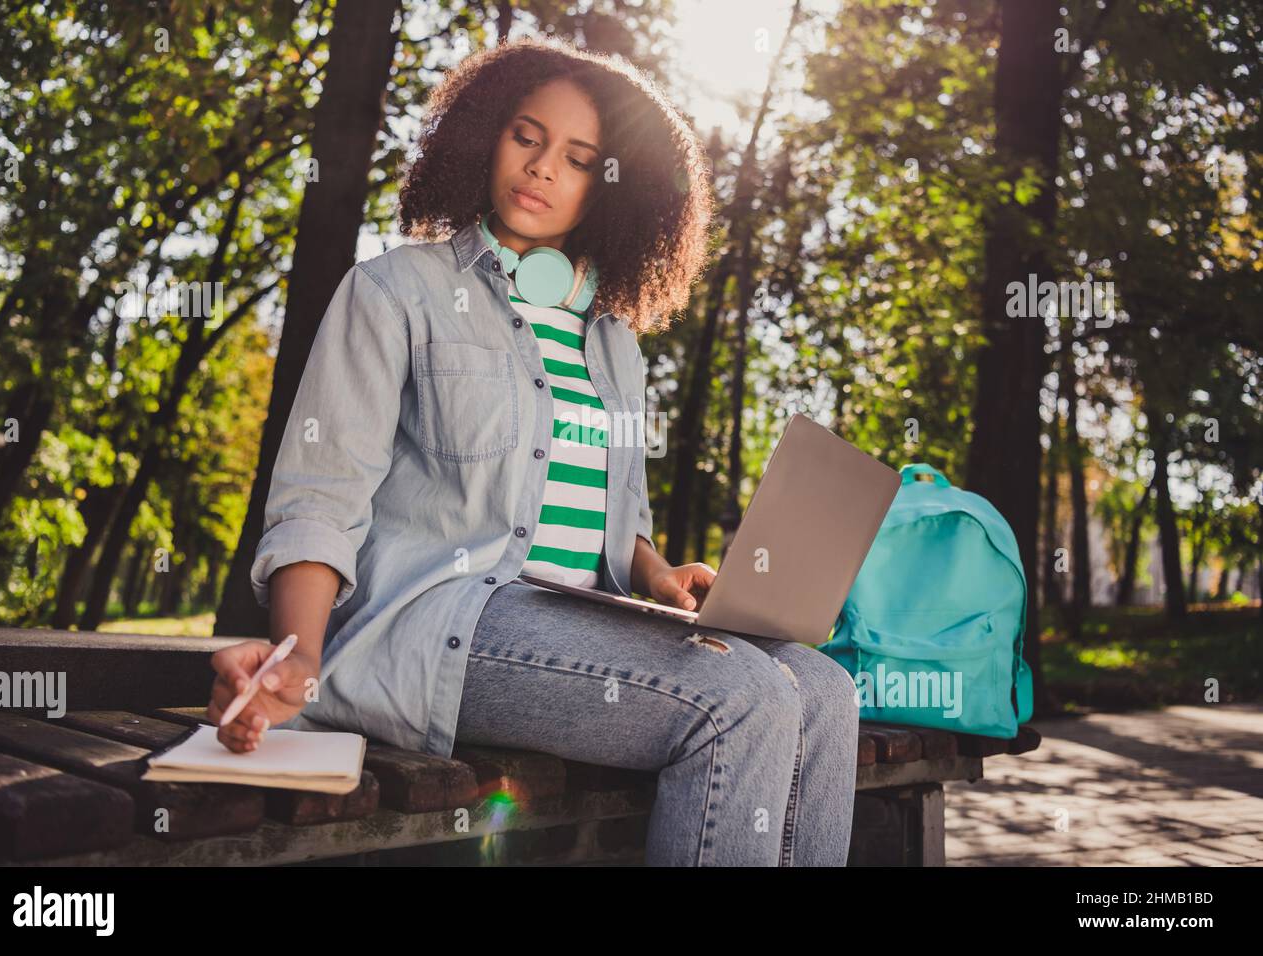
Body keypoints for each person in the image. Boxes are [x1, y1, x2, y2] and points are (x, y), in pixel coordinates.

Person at [207, 36, 859, 866]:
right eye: (527, 136)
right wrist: (296, 662)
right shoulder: (394, 291)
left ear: (614, 189)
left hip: (589, 619)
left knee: (827, 691)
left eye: (580, 158)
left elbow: (614, 514)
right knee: (739, 697)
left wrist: (659, 576)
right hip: (444, 625)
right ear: (485, 136)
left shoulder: (614, 340)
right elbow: (319, 502)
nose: (543, 168)